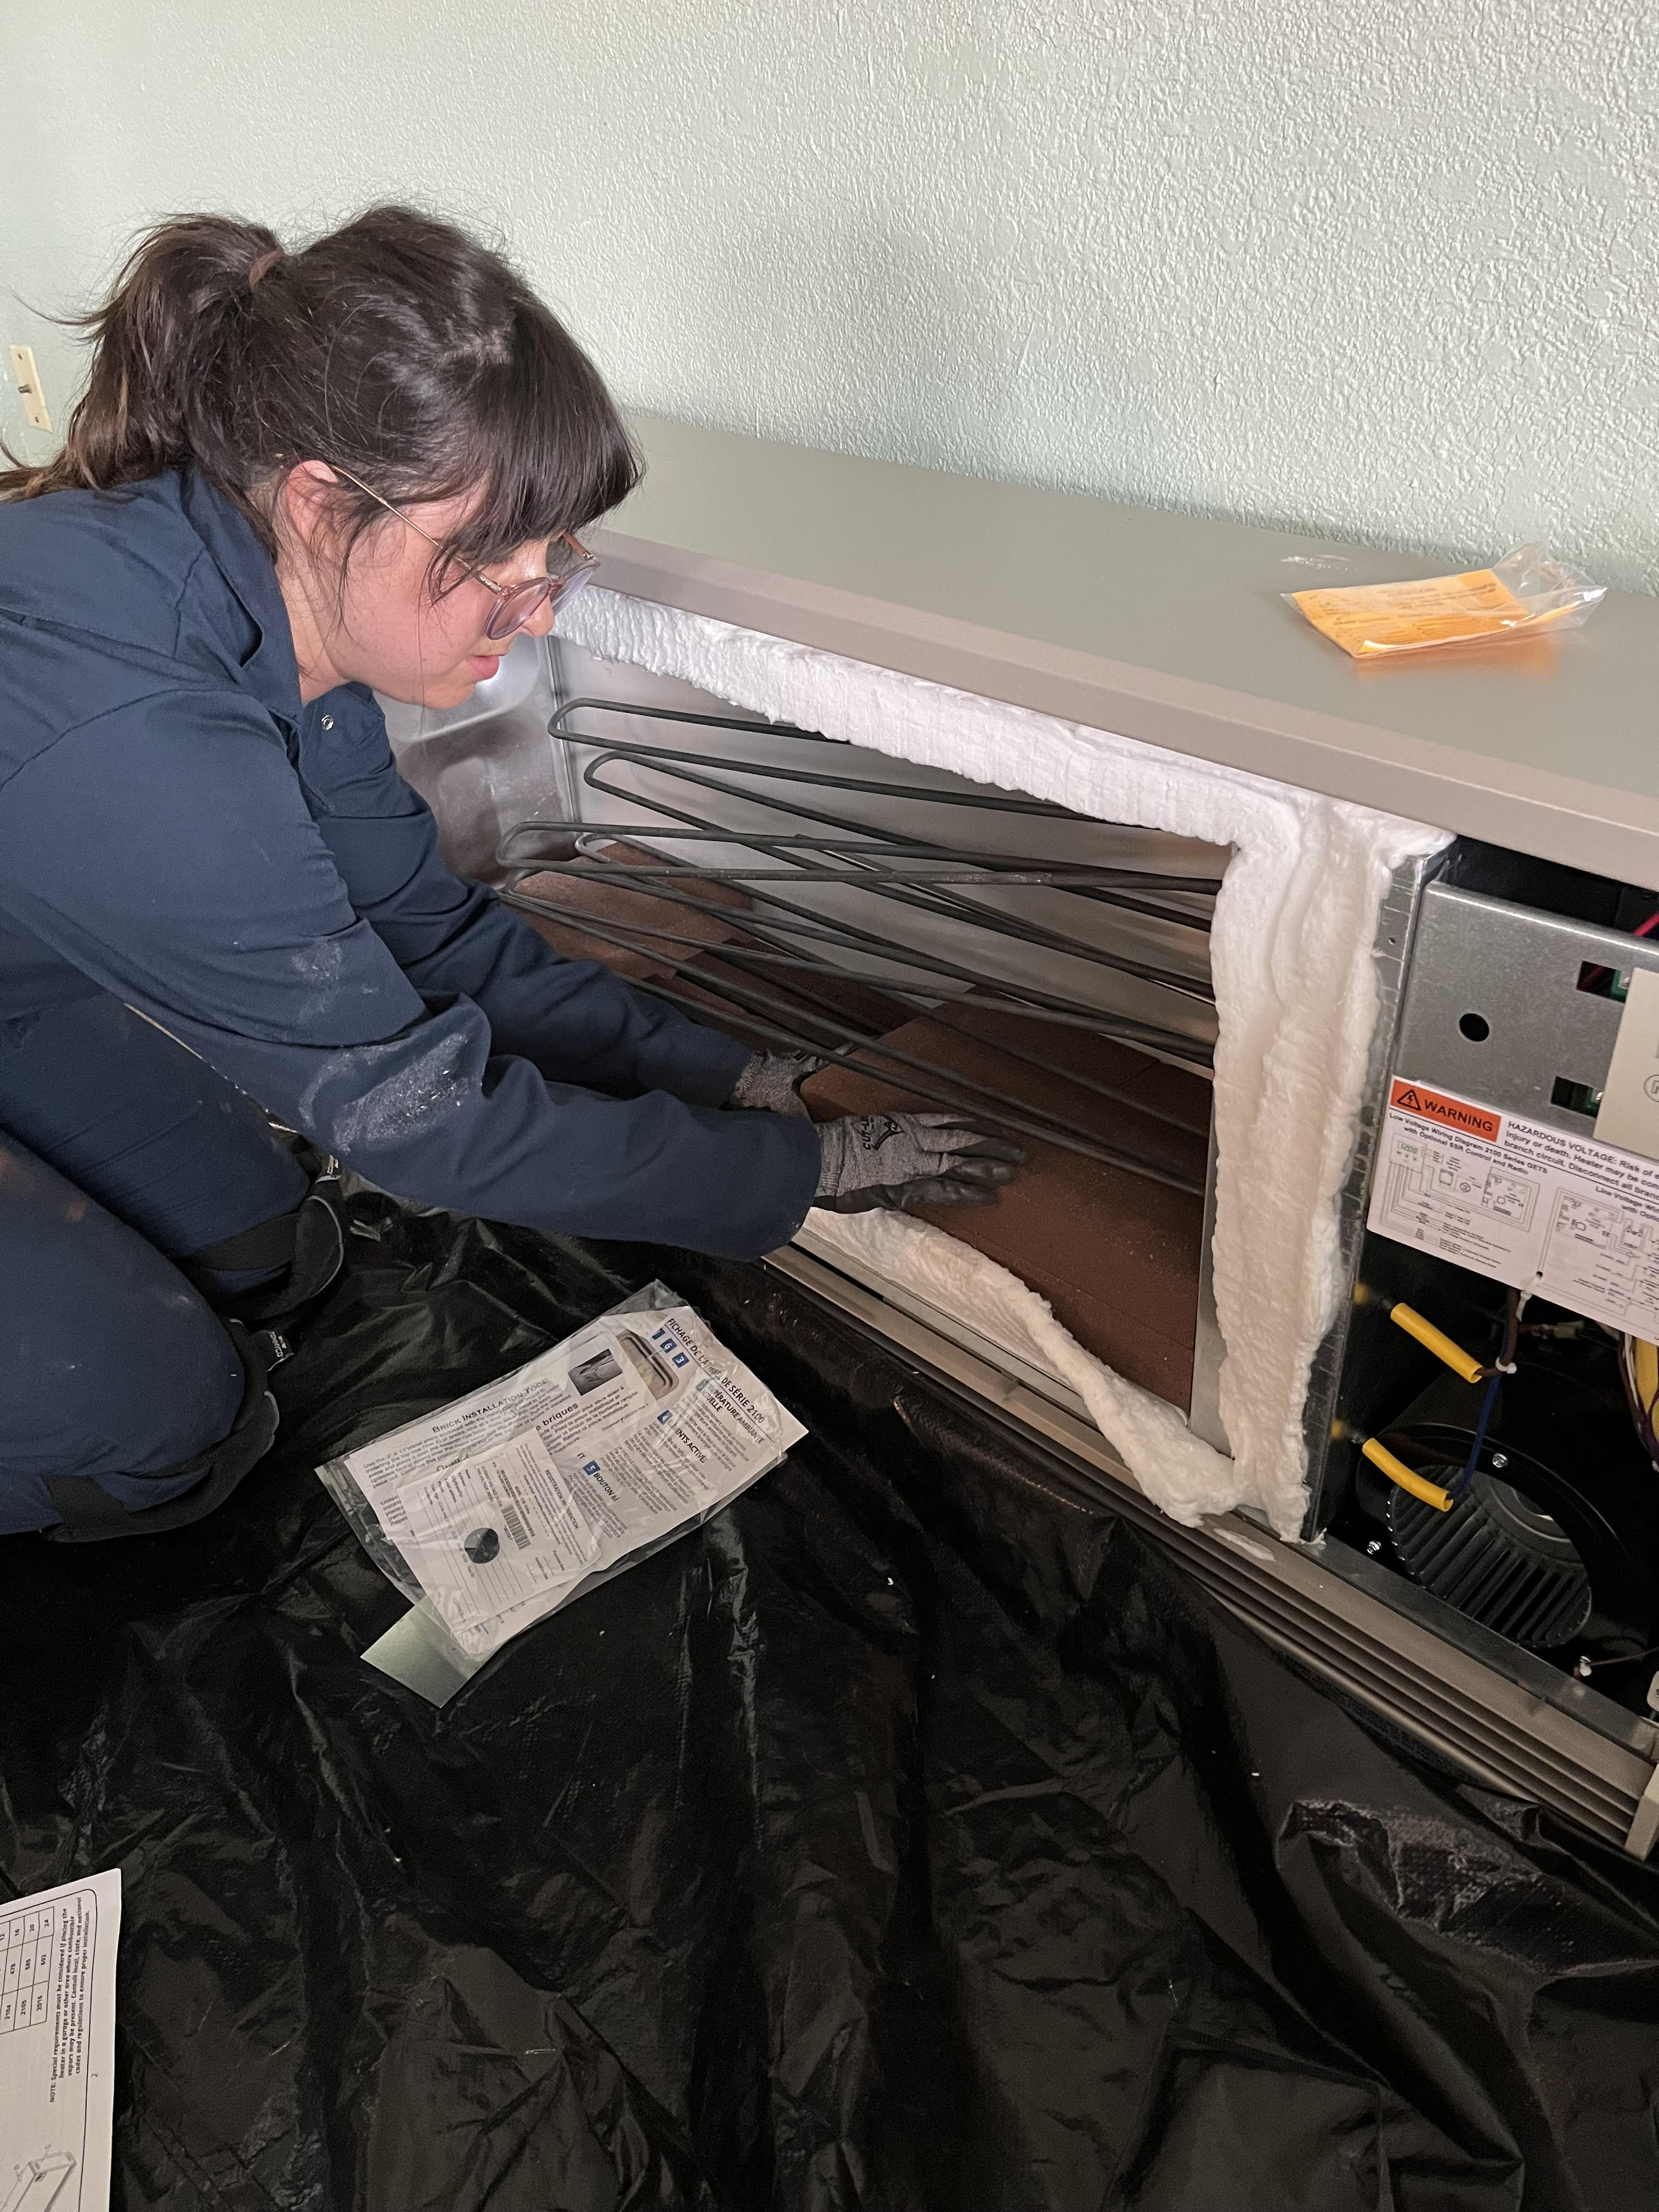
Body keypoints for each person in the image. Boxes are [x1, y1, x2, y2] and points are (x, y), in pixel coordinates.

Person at [0, 207, 1022, 1542]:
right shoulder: (140, 735)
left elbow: (434, 935)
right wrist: (794, 1170)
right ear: (321, 503)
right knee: (169, 1434)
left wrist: (721, 1072)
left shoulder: (276, 626)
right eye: (491, 560)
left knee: (272, 1249)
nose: (537, 608)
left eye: (556, 557)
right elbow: (421, 1119)